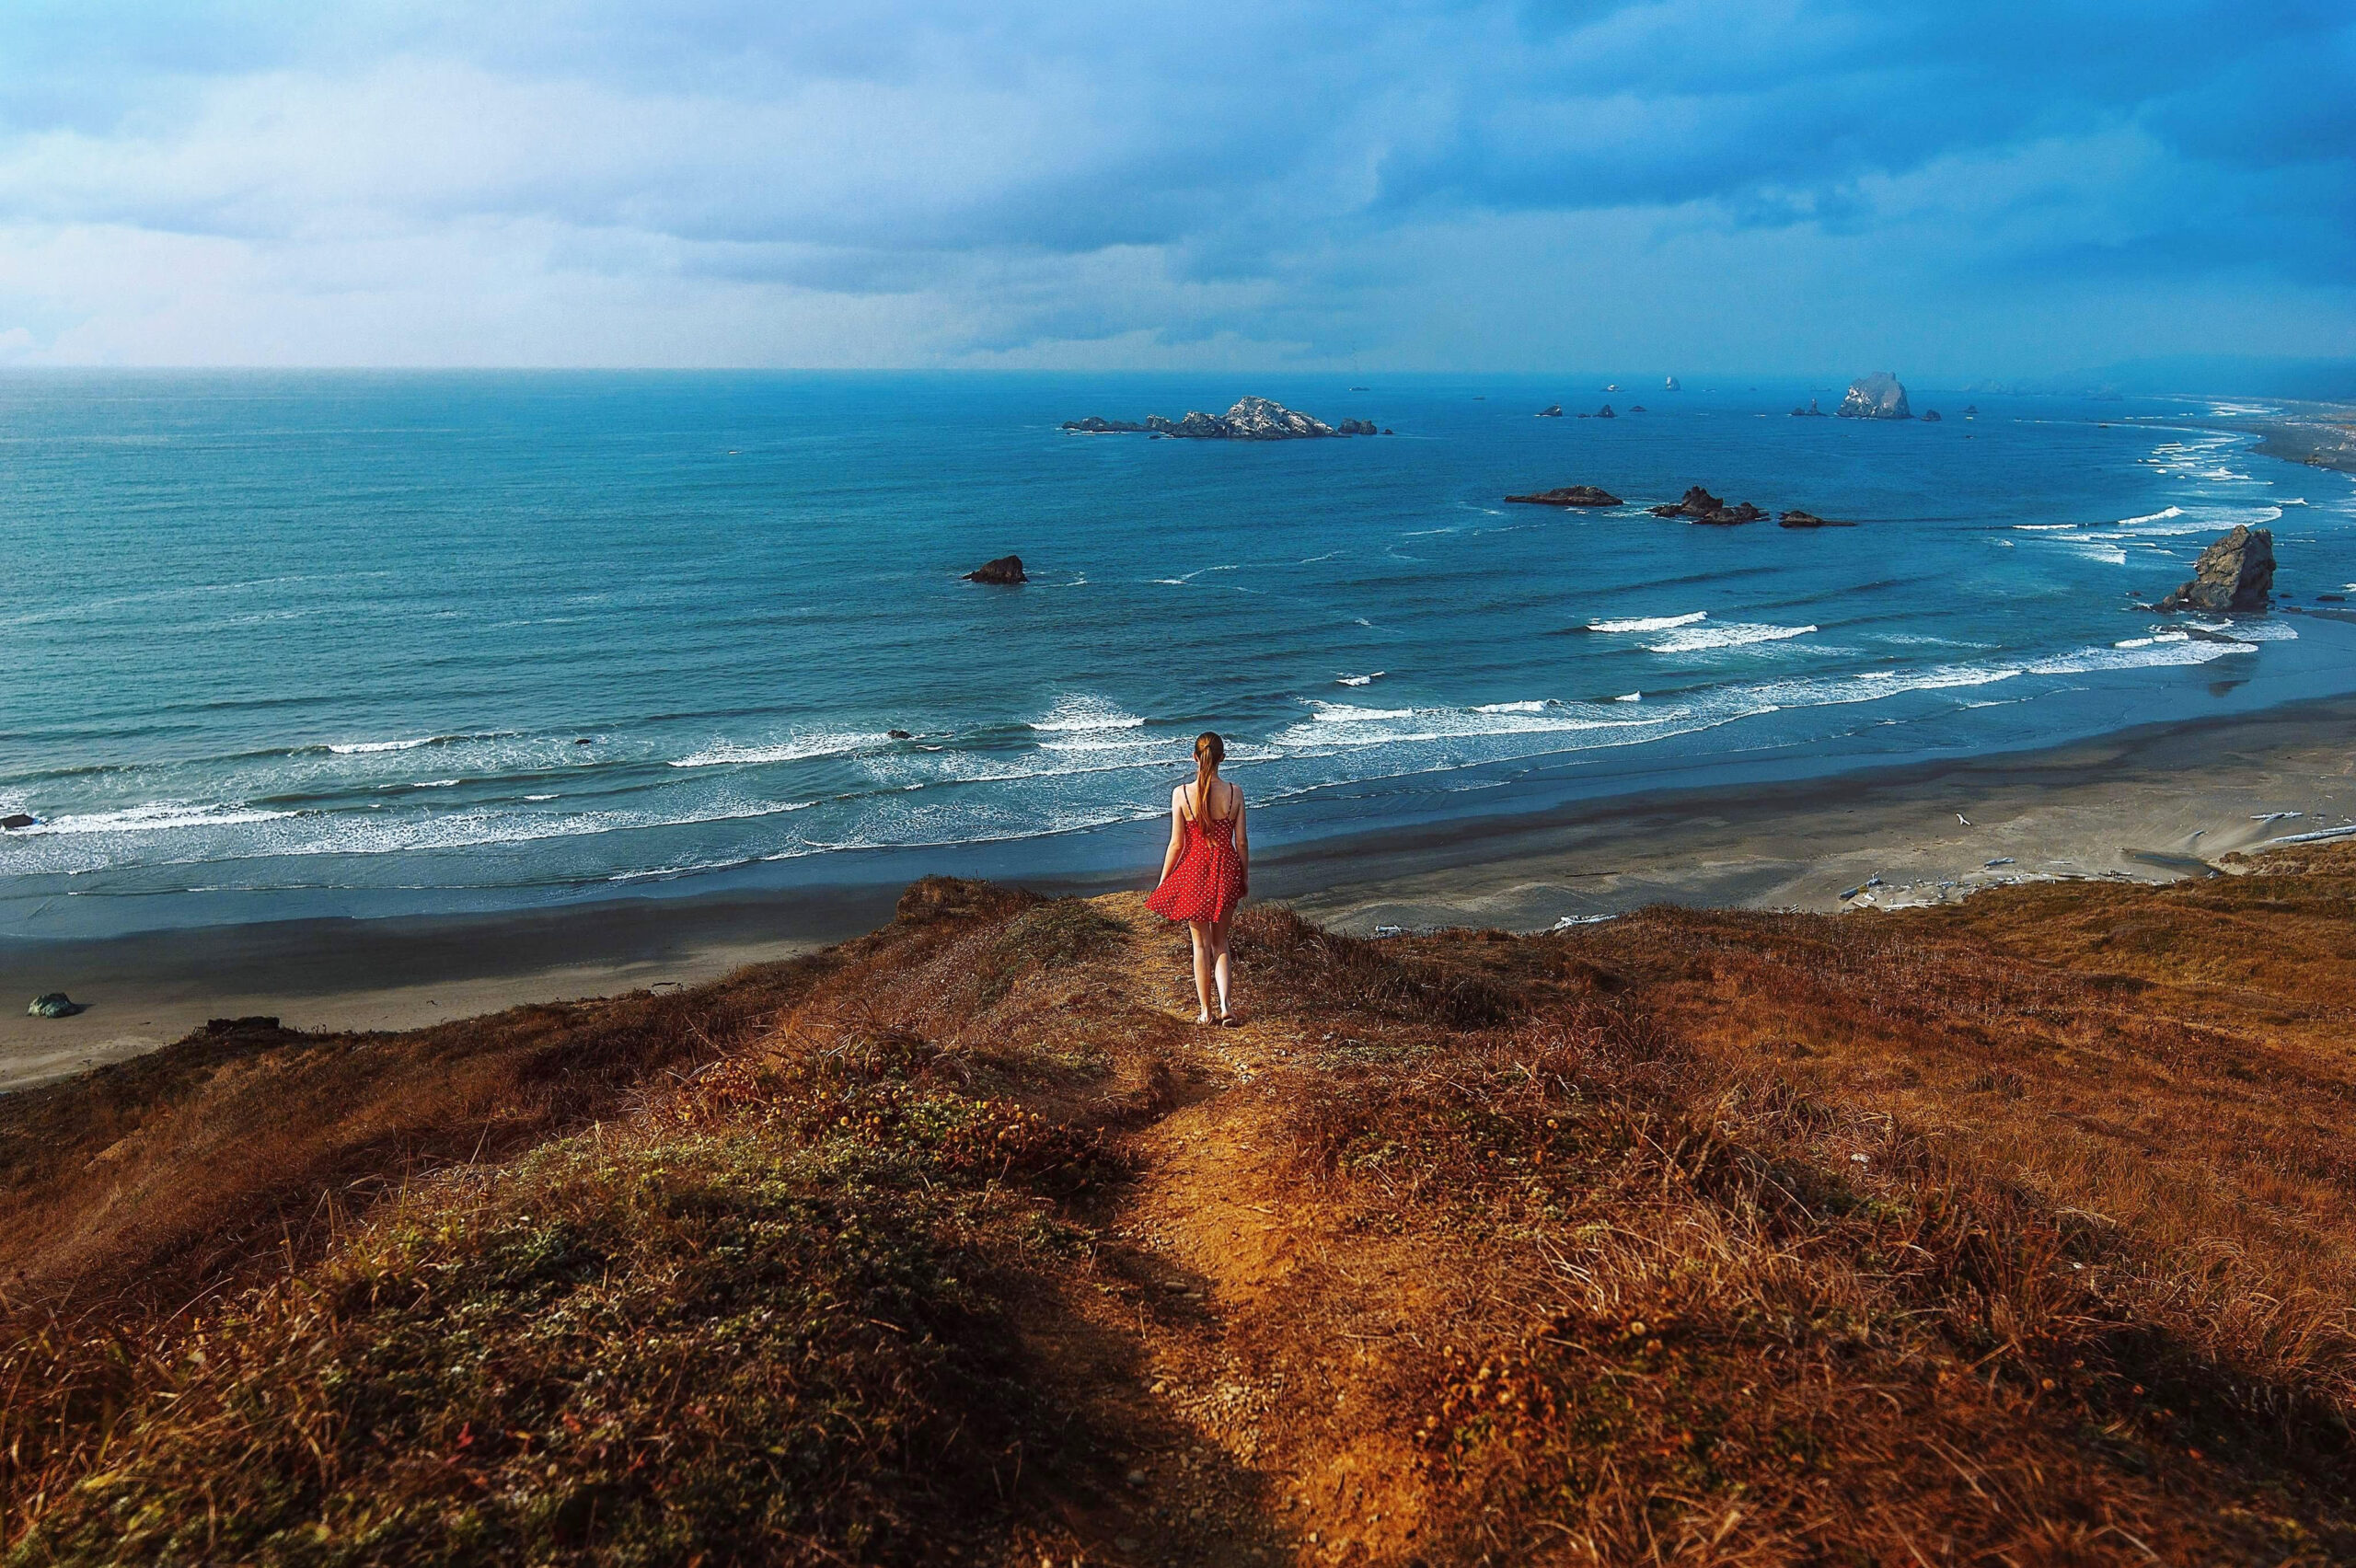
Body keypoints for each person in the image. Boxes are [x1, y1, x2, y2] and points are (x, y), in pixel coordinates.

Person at [1147, 732, 1249, 1024]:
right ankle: (1226, 1005)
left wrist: (1163, 880)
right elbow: (1240, 843)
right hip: (1227, 869)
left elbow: (1176, 844)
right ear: (1222, 759)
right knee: (1221, 943)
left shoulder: (1181, 794)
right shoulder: (1235, 793)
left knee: (1200, 945)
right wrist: (1243, 876)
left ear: (1195, 757)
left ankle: (1205, 1012)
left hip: (1194, 872)